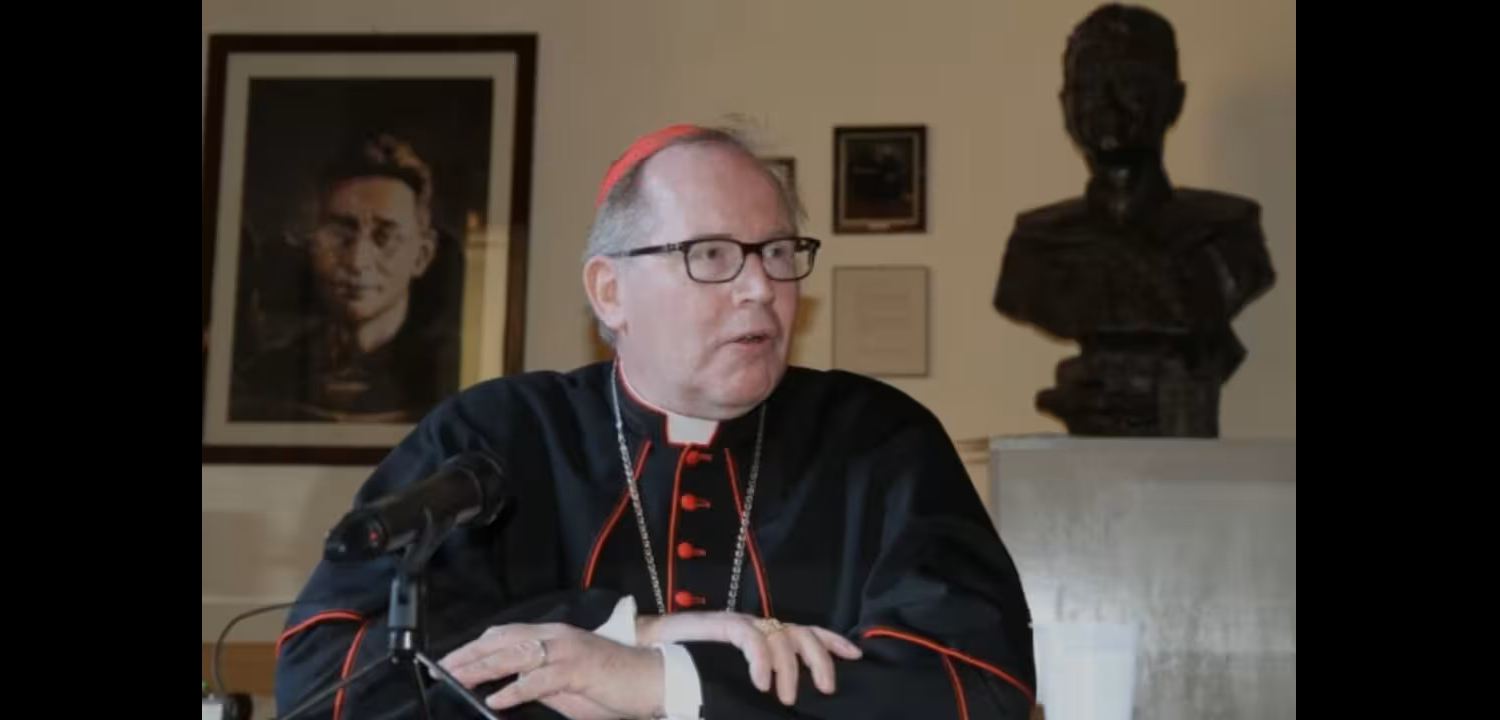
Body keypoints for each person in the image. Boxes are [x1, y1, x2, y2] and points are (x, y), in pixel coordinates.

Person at [275, 124, 1036, 719]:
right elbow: (323, 673)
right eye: (712, 254)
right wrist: (624, 630)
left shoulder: (880, 440)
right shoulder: (496, 435)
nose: (760, 287)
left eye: (777, 252)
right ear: (610, 291)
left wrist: (662, 680)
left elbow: (978, 683)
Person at [992, 3, 1276, 438]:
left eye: (1130, 81)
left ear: (1175, 101)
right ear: (1066, 106)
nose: (1107, 100)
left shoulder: (1227, 232)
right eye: (1089, 84)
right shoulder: (1036, 243)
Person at [230, 133, 460, 423]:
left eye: (385, 236)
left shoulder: (451, 376)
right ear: (313, 244)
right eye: (340, 234)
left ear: (421, 256)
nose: (357, 261)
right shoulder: (267, 377)